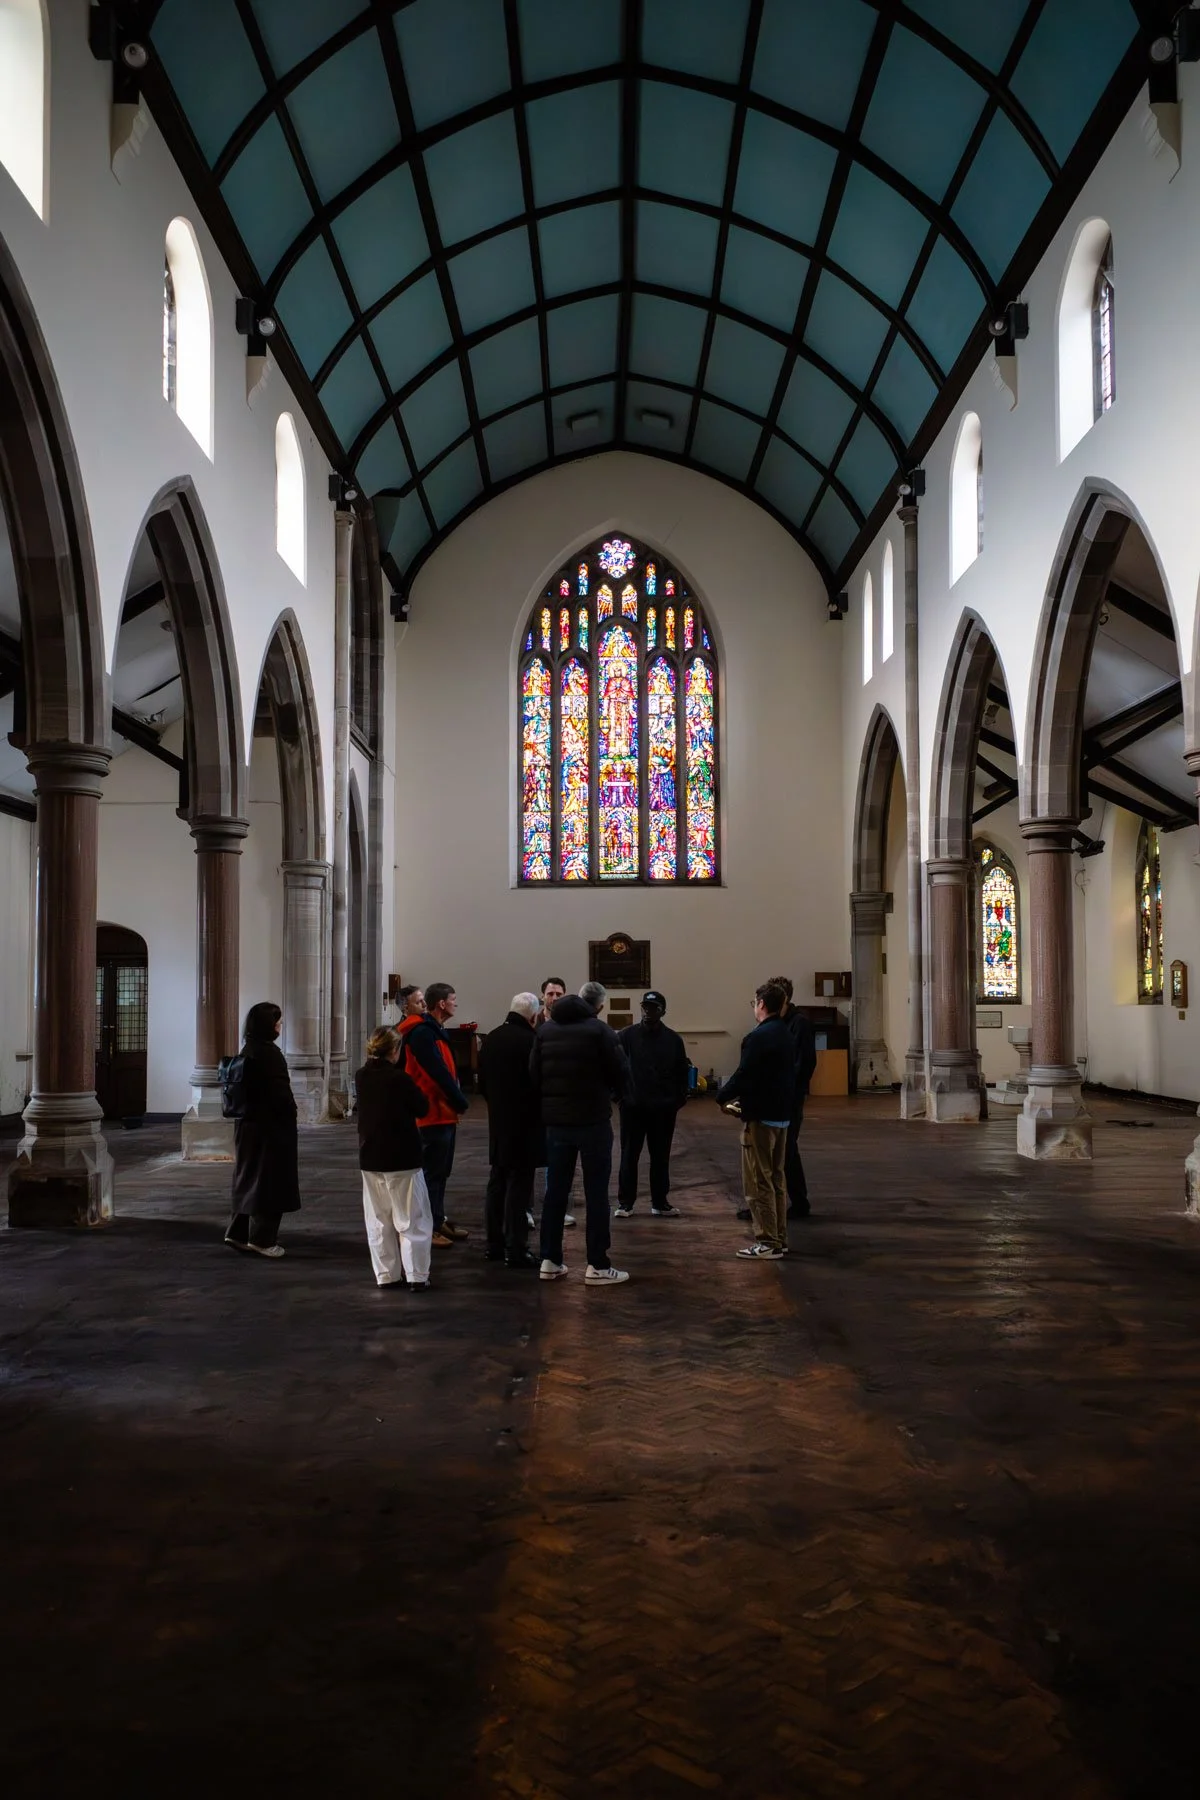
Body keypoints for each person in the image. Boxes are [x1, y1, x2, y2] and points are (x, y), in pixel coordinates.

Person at [531, 979, 631, 1286]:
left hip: (557, 1125)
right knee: (597, 1194)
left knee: (555, 1194)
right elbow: (621, 1071)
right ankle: (597, 1265)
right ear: (595, 1007)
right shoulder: (600, 1031)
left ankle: (550, 1260)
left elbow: (534, 1075)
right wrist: (617, 1096)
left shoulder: (545, 1032)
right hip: (593, 1123)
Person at [718, 982, 795, 1261]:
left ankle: (767, 1241)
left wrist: (722, 1096)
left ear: (761, 1003)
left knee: (758, 1182)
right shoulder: (785, 1033)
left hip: (761, 1118)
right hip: (781, 1116)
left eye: (754, 1002)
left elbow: (745, 1074)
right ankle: (780, 1238)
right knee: (776, 1179)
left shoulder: (758, 1036)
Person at [354, 1026, 434, 1291]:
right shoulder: (400, 1079)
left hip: (371, 1156)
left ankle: (387, 1275)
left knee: (379, 1220)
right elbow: (421, 1108)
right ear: (395, 1050)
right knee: (411, 1219)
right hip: (402, 1157)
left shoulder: (362, 1076)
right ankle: (417, 1276)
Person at [398, 981, 470, 1247]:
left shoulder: (433, 1030)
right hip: (431, 1112)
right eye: (453, 998)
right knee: (430, 1173)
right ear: (442, 1003)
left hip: (443, 1112)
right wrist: (458, 1098)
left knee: (441, 1172)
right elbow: (434, 1072)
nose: (455, 1003)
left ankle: (437, 1219)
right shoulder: (422, 1033)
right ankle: (426, 1227)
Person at [226, 1001, 299, 1259]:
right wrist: (292, 1113)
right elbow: (280, 1095)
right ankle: (262, 1239)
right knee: (270, 1181)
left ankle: (237, 1232)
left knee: (247, 1176)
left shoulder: (249, 1048)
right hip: (271, 1129)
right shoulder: (270, 1054)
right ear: (269, 1026)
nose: (280, 1025)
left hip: (247, 1126)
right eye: (277, 1021)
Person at [477, 993, 543, 1269]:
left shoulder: (490, 1038)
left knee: (497, 1182)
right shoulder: (531, 1040)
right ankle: (516, 1248)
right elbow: (538, 1081)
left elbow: (480, 1083)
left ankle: (494, 1244)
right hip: (525, 1124)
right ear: (533, 1017)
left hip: (498, 1122)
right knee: (519, 1187)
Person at [615, 990, 689, 1218]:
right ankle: (625, 1203)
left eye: (654, 1008)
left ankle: (659, 1201)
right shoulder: (626, 1036)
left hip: (662, 1110)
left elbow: (681, 1073)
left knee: (660, 1156)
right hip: (633, 1108)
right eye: (645, 1007)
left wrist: (675, 1101)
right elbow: (615, 1068)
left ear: (663, 1011)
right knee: (629, 1155)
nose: (648, 1012)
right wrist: (620, 1098)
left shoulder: (673, 1040)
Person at [772, 975, 818, 1219]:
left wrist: (790, 1088)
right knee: (779, 1151)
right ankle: (778, 1204)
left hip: (789, 1097)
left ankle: (798, 1202)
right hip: (775, 1096)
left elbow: (805, 1063)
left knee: (786, 1150)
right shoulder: (775, 1023)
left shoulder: (799, 1024)